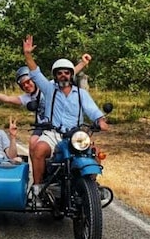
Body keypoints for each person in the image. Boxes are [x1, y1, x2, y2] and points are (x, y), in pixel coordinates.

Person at [21, 35, 108, 205]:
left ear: (71, 75)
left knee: (95, 152)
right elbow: (35, 73)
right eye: (59, 73)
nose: (63, 75)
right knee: (38, 149)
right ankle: (38, 189)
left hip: (76, 135)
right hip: (53, 133)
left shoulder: (81, 94)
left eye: (66, 73)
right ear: (55, 76)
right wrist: (28, 55)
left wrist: (100, 120)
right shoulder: (49, 89)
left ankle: (90, 185)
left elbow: (92, 109)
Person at [0, 60, 90, 153]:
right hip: (41, 126)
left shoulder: (48, 87)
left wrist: (83, 63)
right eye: (23, 85)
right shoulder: (27, 97)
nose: (27, 86)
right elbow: (7, 98)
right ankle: (39, 175)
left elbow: (68, 73)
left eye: (28, 82)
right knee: (33, 142)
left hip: (56, 125)